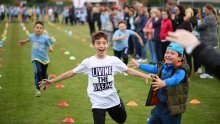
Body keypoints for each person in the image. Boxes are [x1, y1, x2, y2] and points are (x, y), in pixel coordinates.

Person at [39, 31, 151, 124]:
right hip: (97, 101)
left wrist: (144, 75)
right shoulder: (88, 62)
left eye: (104, 43)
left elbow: (128, 70)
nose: (101, 46)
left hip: (112, 98)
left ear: (107, 44)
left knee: (121, 120)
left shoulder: (114, 60)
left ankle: (119, 100)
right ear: (94, 45)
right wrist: (52, 81)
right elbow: (71, 73)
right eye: (98, 43)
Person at [130, 42, 190, 124]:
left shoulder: (181, 70)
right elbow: (154, 68)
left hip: (172, 109)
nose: (168, 55)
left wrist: (164, 83)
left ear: (180, 57)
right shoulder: (163, 66)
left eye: (172, 53)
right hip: (160, 106)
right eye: (167, 52)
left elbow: (175, 79)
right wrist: (139, 66)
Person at [18, 21, 53, 97]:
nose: (39, 29)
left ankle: (46, 78)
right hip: (35, 58)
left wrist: (50, 48)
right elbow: (29, 39)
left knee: (43, 74)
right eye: (37, 27)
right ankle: (38, 89)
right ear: (34, 28)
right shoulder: (31, 36)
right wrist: (23, 42)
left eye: (40, 28)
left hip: (45, 59)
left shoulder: (45, 38)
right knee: (38, 71)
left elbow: (49, 45)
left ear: (43, 30)